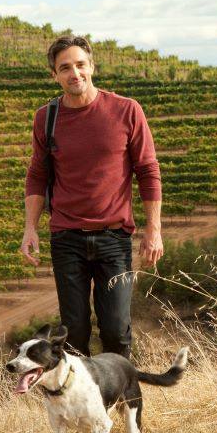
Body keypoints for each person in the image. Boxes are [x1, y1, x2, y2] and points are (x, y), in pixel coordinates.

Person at [20, 35, 164, 358]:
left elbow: (148, 171)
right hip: (66, 239)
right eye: (65, 68)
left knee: (115, 329)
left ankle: (120, 402)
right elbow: (37, 175)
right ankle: (82, 406)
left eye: (80, 65)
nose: (75, 74)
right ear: (54, 75)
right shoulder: (46, 118)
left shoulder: (126, 110)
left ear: (92, 66)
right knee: (74, 333)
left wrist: (153, 229)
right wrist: (30, 228)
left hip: (114, 238)